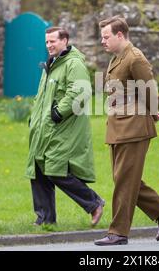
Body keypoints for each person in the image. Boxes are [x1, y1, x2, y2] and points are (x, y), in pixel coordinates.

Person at [94, 15, 159, 246]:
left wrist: (153, 112)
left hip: (134, 127)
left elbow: (149, 88)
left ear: (120, 35)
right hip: (119, 126)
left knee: (124, 181)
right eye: (102, 37)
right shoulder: (117, 57)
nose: (103, 41)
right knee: (125, 179)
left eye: (106, 36)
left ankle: (118, 233)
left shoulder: (135, 57)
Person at [25, 26, 104, 227]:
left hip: (63, 128)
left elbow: (81, 92)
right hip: (44, 128)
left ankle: (94, 202)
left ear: (65, 40)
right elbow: (42, 97)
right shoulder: (51, 64)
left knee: (55, 170)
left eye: (53, 41)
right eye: (47, 42)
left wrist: (59, 112)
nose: (49, 45)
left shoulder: (73, 64)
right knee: (39, 170)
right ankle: (45, 220)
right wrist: (34, 118)